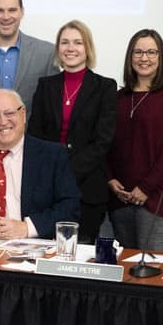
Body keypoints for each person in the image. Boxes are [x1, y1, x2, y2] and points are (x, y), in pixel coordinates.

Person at [27, 20, 117, 241]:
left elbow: (102, 141)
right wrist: (53, 173)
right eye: (64, 42)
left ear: (87, 48)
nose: (71, 48)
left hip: (88, 190)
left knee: (81, 255)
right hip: (48, 190)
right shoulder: (45, 85)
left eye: (78, 42)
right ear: (58, 48)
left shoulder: (105, 87)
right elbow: (35, 135)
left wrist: (66, 172)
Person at [106, 30, 163, 253]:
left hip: (160, 199)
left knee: (152, 271)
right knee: (126, 268)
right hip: (121, 199)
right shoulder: (119, 98)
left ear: (161, 57)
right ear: (130, 56)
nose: (144, 58)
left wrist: (145, 188)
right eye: (138, 52)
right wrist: (110, 179)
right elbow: (105, 143)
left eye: (151, 52)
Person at [0, 89, 79, 237]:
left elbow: (70, 208)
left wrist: (26, 228)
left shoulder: (53, 155)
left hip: (32, 248)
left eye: (9, 113)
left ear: (23, 114)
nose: (3, 121)